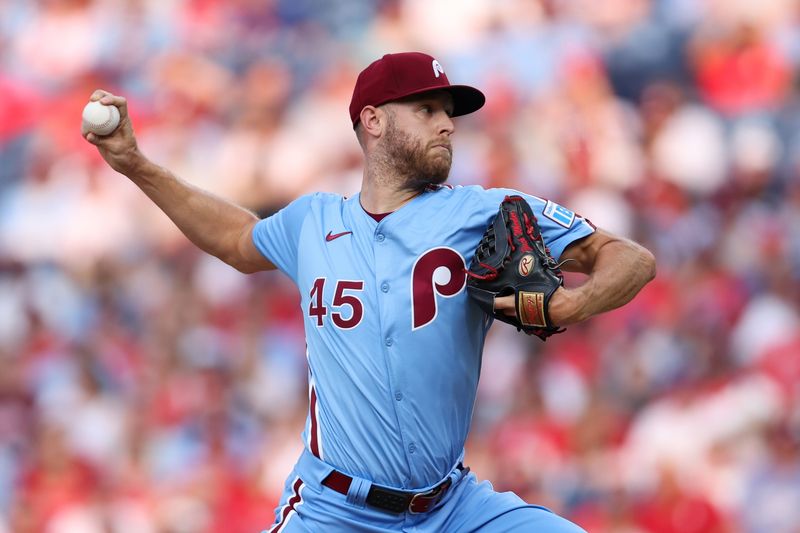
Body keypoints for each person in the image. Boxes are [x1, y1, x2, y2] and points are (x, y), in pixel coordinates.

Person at [83, 52, 655, 532]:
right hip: (333, 511)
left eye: (449, 114)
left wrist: (576, 303)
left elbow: (630, 258)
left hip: (453, 508)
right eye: (427, 109)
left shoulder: (484, 211)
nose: (447, 124)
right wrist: (136, 164)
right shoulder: (314, 222)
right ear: (374, 120)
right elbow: (236, 239)